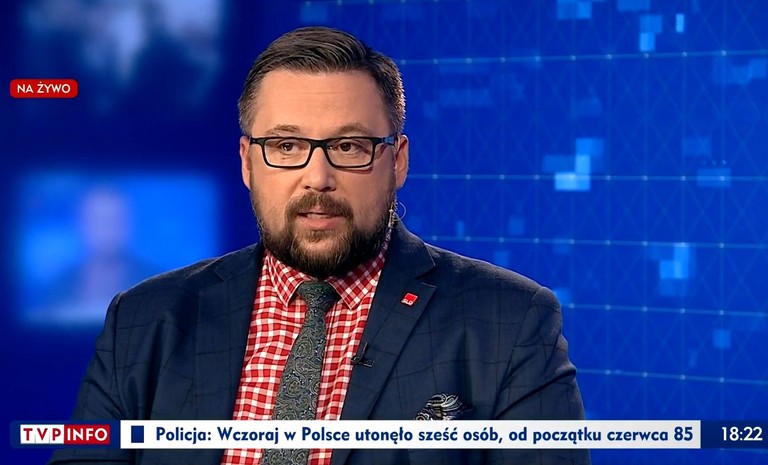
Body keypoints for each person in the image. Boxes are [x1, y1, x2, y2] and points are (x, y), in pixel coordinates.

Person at [49, 26, 589, 465]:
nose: (318, 177)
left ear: (398, 161)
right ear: (247, 163)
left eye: (349, 146)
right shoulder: (144, 319)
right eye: (286, 145)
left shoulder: (509, 321)